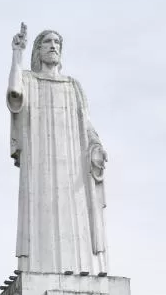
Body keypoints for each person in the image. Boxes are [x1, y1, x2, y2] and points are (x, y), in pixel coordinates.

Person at [7, 23, 109, 276]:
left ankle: (82, 268)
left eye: (57, 43)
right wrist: (16, 55)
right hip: (40, 161)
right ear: (38, 50)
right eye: (47, 42)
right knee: (42, 213)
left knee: (75, 215)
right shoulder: (29, 80)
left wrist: (96, 146)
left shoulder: (73, 86)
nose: (53, 46)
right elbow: (14, 95)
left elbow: (86, 123)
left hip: (72, 164)